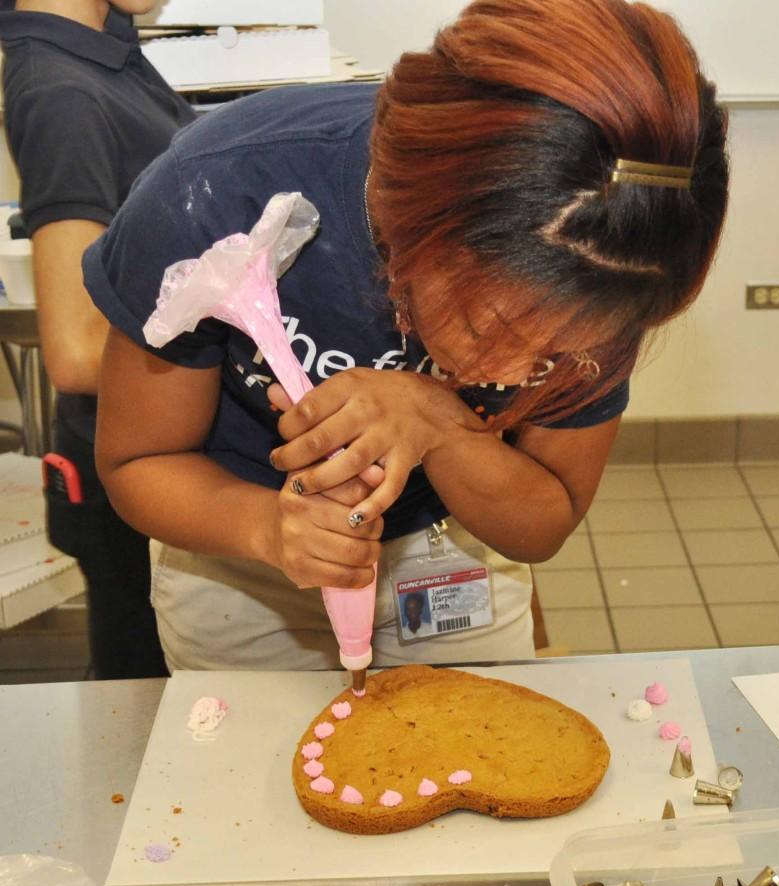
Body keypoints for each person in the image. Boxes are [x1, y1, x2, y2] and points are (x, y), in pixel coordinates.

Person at [85, 0, 728, 671]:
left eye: (560, 356)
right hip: (237, 553)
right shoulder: (218, 189)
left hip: (447, 544)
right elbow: (138, 463)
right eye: (492, 326)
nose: (512, 376)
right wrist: (267, 529)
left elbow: (541, 523)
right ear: (410, 224)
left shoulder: (613, 249)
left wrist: (440, 423)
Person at [0, 0, 196, 677]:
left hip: (151, 455)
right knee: (143, 721)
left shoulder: (108, 57)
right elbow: (78, 351)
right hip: (126, 475)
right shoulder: (61, 90)